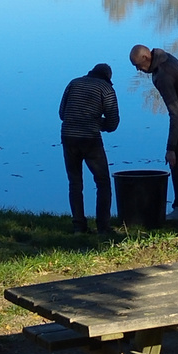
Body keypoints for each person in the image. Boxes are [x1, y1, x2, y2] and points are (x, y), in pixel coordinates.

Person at [129, 44, 178, 221]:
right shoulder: (165, 57)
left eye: (138, 65)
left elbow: (175, 113)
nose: (139, 70)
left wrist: (170, 148)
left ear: (146, 58)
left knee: (176, 161)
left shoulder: (162, 75)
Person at [59, 62, 119, 234]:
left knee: (75, 183)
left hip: (68, 136)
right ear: (108, 77)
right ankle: (103, 227)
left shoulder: (74, 83)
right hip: (90, 139)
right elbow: (113, 121)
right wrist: (101, 124)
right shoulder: (106, 89)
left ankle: (79, 226)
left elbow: (62, 113)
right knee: (103, 182)